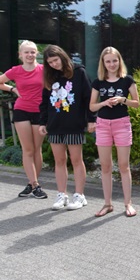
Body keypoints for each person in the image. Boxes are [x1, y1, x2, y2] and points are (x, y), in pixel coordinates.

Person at [39, 45, 96, 211]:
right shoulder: (50, 77)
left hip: (74, 125)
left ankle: (79, 195)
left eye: (55, 60)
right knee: (59, 161)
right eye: (50, 62)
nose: (54, 64)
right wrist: (43, 122)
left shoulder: (79, 73)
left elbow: (88, 98)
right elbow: (44, 102)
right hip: (55, 125)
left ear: (62, 57)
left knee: (76, 160)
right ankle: (61, 194)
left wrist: (92, 119)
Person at [90, 46, 140, 218]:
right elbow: (92, 106)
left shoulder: (127, 80)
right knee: (105, 166)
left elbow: (137, 103)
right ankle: (107, 204)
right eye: (108, 61)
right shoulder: (98, 82)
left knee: (124, 166)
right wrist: (104, 103)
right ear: (103, 63)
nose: (112, 64)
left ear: (119, 61)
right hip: (103, 125)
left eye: (114, 60)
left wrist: (123, 100)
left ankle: (128, 203)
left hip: (122, 124)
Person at [0, 40, 48, 199]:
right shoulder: (16, 71)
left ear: (37, 54)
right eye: (26, 52)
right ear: (20, 55)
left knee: (37, 149)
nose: (30, 55)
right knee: (28, 149)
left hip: (40, 112)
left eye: (33, 52)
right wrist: (13, 89)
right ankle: (36, 186)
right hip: (22, 111)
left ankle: (31, 184)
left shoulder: (44, 70)